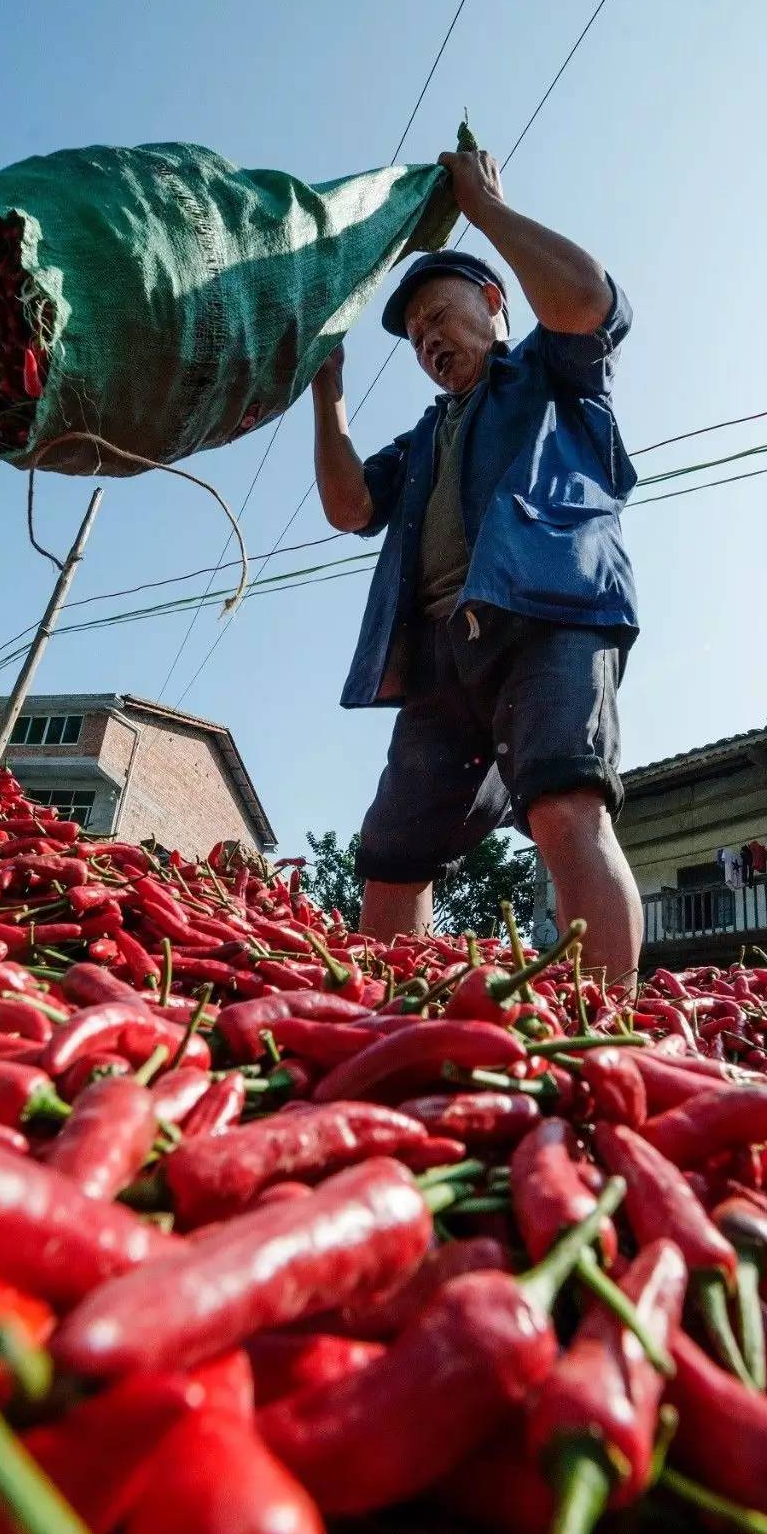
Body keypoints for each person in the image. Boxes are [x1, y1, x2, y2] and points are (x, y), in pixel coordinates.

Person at [310, 146, 642, 979]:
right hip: (439, 656)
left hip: (549, 612)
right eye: (415, 336)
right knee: (392, 854)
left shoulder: (549, 370)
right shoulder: (423, 438)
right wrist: (328, 391)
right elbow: (350, 506)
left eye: (438, 316)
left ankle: (607, 1021)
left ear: (494, 303)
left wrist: (486, 210)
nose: (427, 338)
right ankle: (393, 1021)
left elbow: (589, 301)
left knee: (565, 804)